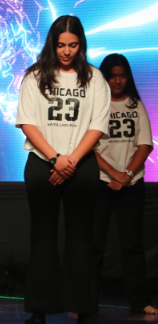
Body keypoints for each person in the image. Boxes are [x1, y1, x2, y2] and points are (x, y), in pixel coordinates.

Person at [15, 15, 110, 324]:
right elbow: (27, 123)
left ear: (81, 44)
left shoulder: (95, 78)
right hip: (43, 163)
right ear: (51, 45)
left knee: (81, 238)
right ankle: (40, 310)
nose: (67, 51)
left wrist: (70, 161)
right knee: (42, 236)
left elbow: (97, 126)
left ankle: (83, 308)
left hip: (81, 165)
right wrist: (55, 158)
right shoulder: (34, 76)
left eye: (73, 45)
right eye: (60, 45)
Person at [92, 54, 157, 315]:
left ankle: (140, 301)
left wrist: (127, 175)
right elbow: (88, 147)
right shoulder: (96, 106)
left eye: (122, 76)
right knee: (94, 244)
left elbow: (145, 145)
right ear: (105, 78)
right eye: (113, 76)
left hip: (131, 183)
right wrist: (113, 173)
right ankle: (86, 300)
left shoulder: (135, 105)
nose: (118, 81)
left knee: (132, 245)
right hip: (100, 182)